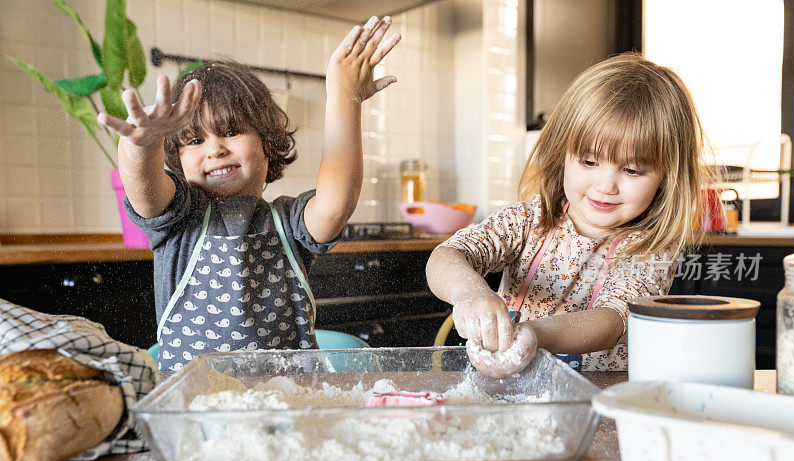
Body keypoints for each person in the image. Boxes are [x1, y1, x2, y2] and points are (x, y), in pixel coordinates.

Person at [98, 16, 400, 370]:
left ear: (267, 141)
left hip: (286, 404)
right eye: (195, 140)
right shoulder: (177, 219)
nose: (215, 149)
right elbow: (142, 188)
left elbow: (335, 206)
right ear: (177, 157)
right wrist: (141, 146)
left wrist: (345, 96)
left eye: (230, 132)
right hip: (195, 407)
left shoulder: (288, 223)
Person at [426, 53, 708, 377]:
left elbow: (613, 319)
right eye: (589, 162)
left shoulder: (650, 250)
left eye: (632, 170)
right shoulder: (533, 219)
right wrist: (470, 293)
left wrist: (535, 335)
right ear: (563, 155)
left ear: (667, 176)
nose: (605, 185)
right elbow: (448, 255)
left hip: (598, 402)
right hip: (510, 393)